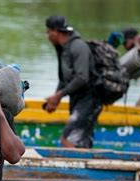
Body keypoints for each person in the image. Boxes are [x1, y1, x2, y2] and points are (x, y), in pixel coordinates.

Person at [43, 15, 101, 148]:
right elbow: (65, 78)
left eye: (48, 32)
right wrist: (55, 98)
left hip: (89, 100)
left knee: (68, 139)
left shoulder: (78, 47)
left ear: (56, 32)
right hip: (77, 100)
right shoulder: (63, 49)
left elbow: (82, 78)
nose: (47, 35)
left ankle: (81, 166)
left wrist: (59, 95)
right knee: (80, 141)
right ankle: (85, 164)